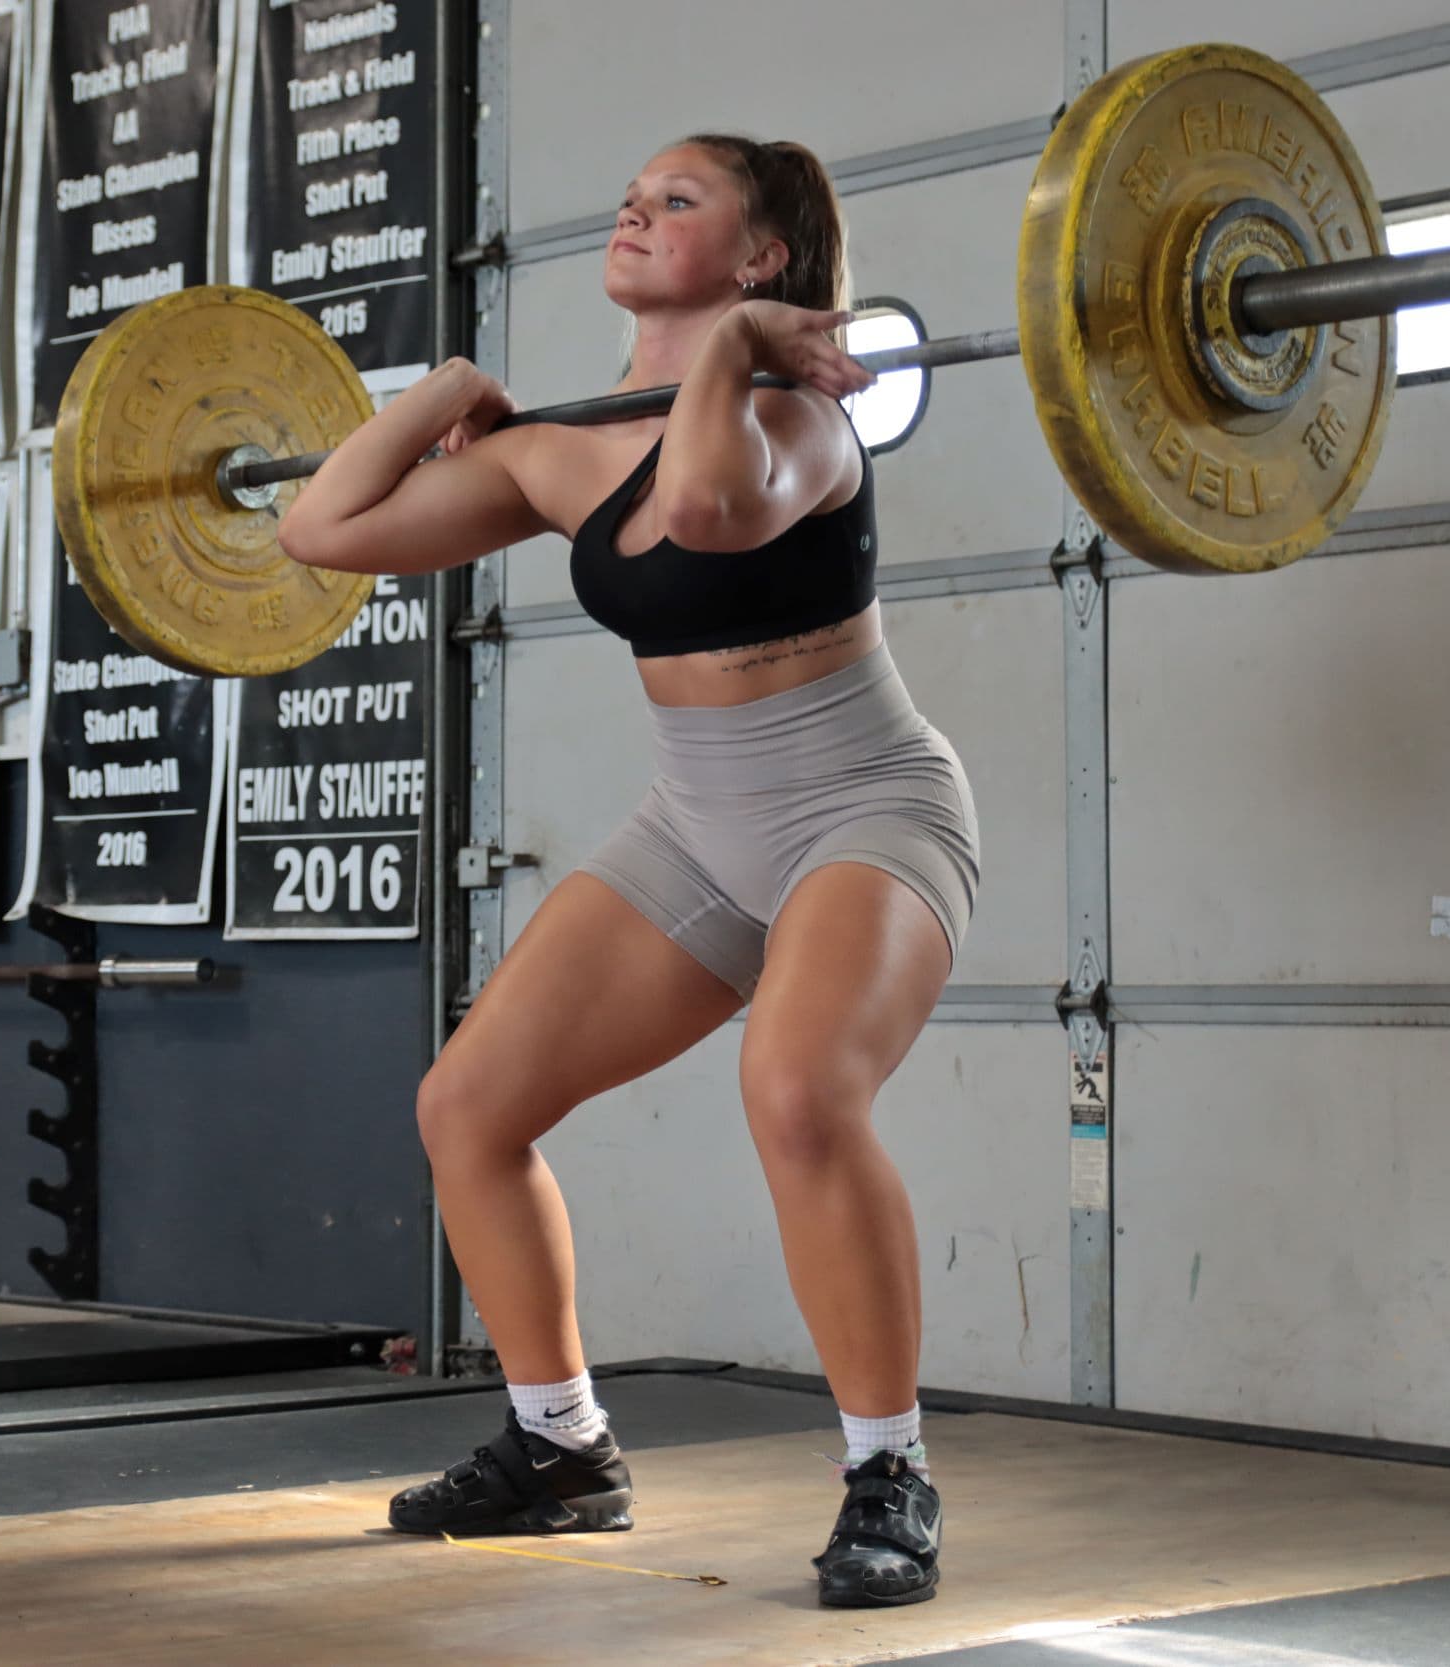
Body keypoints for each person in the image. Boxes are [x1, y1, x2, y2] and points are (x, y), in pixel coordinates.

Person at [277, 133, 979, 1609]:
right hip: (697, 829)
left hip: (866, 808)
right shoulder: (558, 452)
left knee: (798, 1094)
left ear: (762, 259)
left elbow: (710, 510)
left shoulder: (798, 416)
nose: (635, 212)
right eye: (632, 196)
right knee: (468, 1106)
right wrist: (446, 395)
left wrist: (733, 350)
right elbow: (319, 530)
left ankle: (888, 1473)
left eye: (678, 201)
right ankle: (560, 1446)